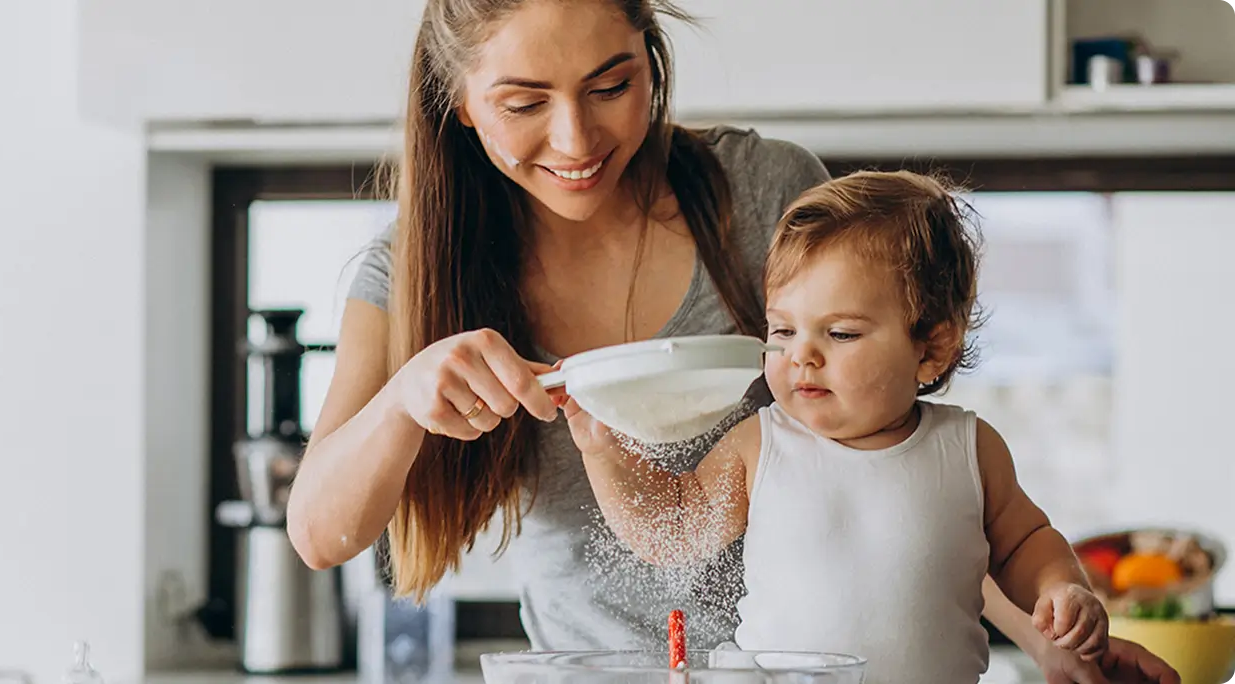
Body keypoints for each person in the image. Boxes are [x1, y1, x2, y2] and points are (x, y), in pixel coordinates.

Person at [283, 1, 1179, 682]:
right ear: (463, 106)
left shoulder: (766, 190)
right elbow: (321, 532)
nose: (577, 138)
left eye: (611, 85)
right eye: (524, 102)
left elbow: (895, 489)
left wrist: (1054, 644)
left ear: (652, 58)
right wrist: (405, 397)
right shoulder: (413, 270)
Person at [565, 170, 1109, 684]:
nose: (802, 355)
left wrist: (1061, 587)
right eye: (782, 329)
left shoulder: (969, 449)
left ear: (932, 348)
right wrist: (601, 449)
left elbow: (1024, 546)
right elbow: (675, 530)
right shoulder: (762, 443)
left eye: (841, 334)